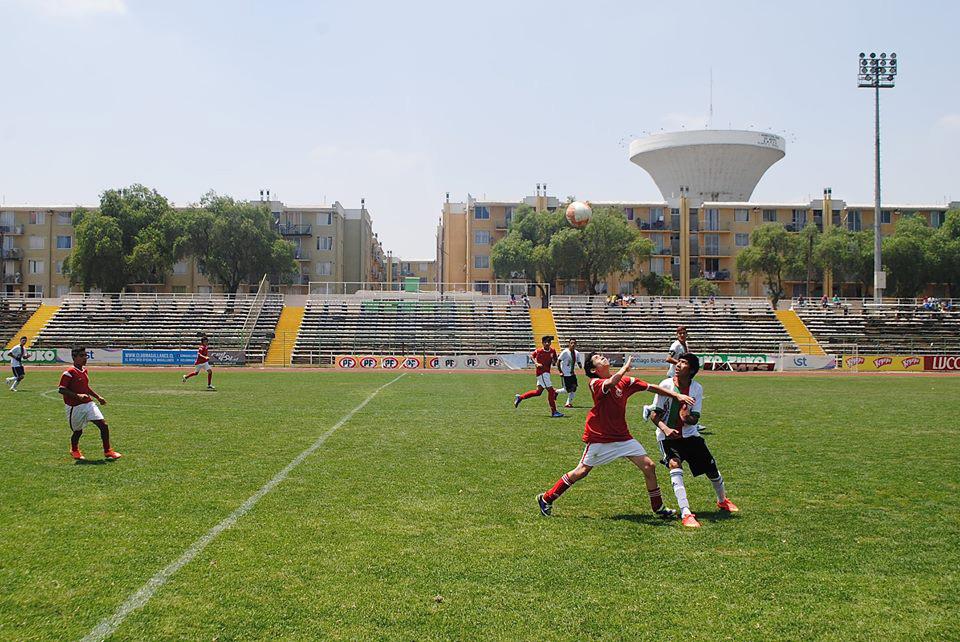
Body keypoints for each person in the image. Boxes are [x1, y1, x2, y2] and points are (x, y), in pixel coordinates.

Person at [536, 352, 695, 518]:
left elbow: (650, 387)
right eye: (597, 358)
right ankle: (546, 498)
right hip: (600, 437)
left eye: (601, 355)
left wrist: (676, 395)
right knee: (581, 471)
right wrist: (625, 368)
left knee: (649, 466)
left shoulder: (625, 381)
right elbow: (611, 382)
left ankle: (658, 507)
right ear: (593, 369)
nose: (602, 357)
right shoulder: (595, 383)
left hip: (622, 437)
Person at [647, 353, 739, 528]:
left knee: (711, 470)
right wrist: (666, 429)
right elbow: (654, 415)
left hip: (690, 436)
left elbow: (695, 419)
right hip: (667, 437)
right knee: (674, 464)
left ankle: (722, 500)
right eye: (679, 361)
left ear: (692, 371)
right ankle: (686, 512)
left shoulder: (696, 388)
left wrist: (686, 417)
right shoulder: (666, 385)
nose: (678, 365)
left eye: (683, 363)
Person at [59, 346, 121, 461]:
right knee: (78, 431)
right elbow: (61, 389)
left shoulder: (84, 370)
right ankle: (74, 449)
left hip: (88, 404)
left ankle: (108, 451)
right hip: (74, 407)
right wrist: (77, 395)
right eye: (81, 356)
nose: (85, 358)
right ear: (74, 357)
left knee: (104, 425)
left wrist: (98, 397)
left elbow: (85, 387)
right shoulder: (69, 372)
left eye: (85, 355)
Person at [515, 335, 563, 417]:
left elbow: (554, 361)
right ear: (542, 343)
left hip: (547, 373)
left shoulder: (552, 351)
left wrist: (554, 362)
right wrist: (536, 363)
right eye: (545, 342)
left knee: (538, 392)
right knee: (551, 391)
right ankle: (554, 411)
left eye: (548, 342)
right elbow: (531, 356)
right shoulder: (539, 351)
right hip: (541, 373)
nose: (547, 343)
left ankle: (520, 397)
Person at [555, 338, 583, 408]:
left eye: (574, 343)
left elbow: (578, 361)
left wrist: (580, 365)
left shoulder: (577, 353)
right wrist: (560, 372)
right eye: (571, 343)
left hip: (572, 374)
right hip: (565, 374)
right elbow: (558, 362)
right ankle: (555, 391)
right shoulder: (565, 352)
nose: (573, 344)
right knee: (566, 390)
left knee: (574, 388)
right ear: (569, 344)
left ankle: (568, 403)